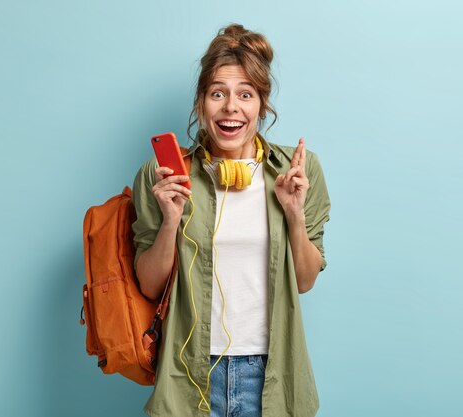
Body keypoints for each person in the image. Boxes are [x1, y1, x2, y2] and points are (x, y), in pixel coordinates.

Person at [132, 24, 331, 417]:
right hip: (188, 372)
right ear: (201, 102)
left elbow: (305, 281)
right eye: (217, 93)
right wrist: (170, 220)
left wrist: (293, 214)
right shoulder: (165, 176)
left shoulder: (295, 173)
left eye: (246, 94)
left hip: (269, 374)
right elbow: (150, 285)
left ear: (262, 103)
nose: (231, 108)